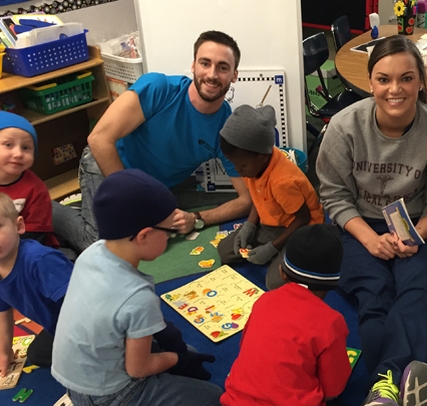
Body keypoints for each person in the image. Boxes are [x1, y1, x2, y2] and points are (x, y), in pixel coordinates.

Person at [317, 35, 427, 406]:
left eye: (406, 78)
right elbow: (334, 196)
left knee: (416, 290)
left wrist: (416, 236)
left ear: (421, 81)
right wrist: (368, 239)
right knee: (374, 293)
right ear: (370, 83)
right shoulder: (344, 127)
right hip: (359, 224)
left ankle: (385, 386)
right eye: (384, 79)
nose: (395, 89)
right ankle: (393, 386)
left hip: (415, 226)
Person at [52, 30, 252, 253]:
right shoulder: (159, 88)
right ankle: (44, 208)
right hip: (107, 163)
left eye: (223, 67)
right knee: (101, 245)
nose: (212, 74)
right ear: (193, 66)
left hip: (153, 186)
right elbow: (99, 139)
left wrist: (197, 218)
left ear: (234, 75)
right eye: (205, 63)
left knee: (152, 238)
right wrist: (133, 201)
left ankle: (93, 207)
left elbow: (246, 199)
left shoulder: (226, 127)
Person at [51, 169, 221, 406]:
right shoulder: (137, 296)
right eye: (169, 233)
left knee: (181, 352)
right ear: (144, 236)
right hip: (110, 394)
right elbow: (138, 368)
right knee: (213, 397)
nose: (171, 237)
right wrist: (176, 358)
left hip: (73, 379)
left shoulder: (91, 254)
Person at [221, 224, 350, 405]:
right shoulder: (331, 322)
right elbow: (333, 389)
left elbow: (244, 347)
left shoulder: (263, 301)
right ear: (333, 283)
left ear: (281, 272)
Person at [216, 105, 324, 289]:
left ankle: (289, 252)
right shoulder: (253, 167)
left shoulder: (283, 181)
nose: (237, 170)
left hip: (301, 229)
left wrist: (273, 246)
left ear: (262, 157)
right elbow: (259, 199)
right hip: (273, 222)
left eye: (241, 165)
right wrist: (249, 225)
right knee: (225, 251)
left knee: (275, 283)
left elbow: (303, 218)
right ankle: (275, 248)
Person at [0, 192, 72, 372]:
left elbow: (82, 305)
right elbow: (3, 312)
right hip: (59, 327)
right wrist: (4, 351)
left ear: (19, 226)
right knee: (37, 354)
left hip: (89, 321)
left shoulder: (39, 261)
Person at [0, 111, 59, 247]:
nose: (18, 153)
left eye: (26, 148)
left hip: (23, 246)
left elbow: (36, 234)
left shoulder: (35, 189)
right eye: (8, 145)